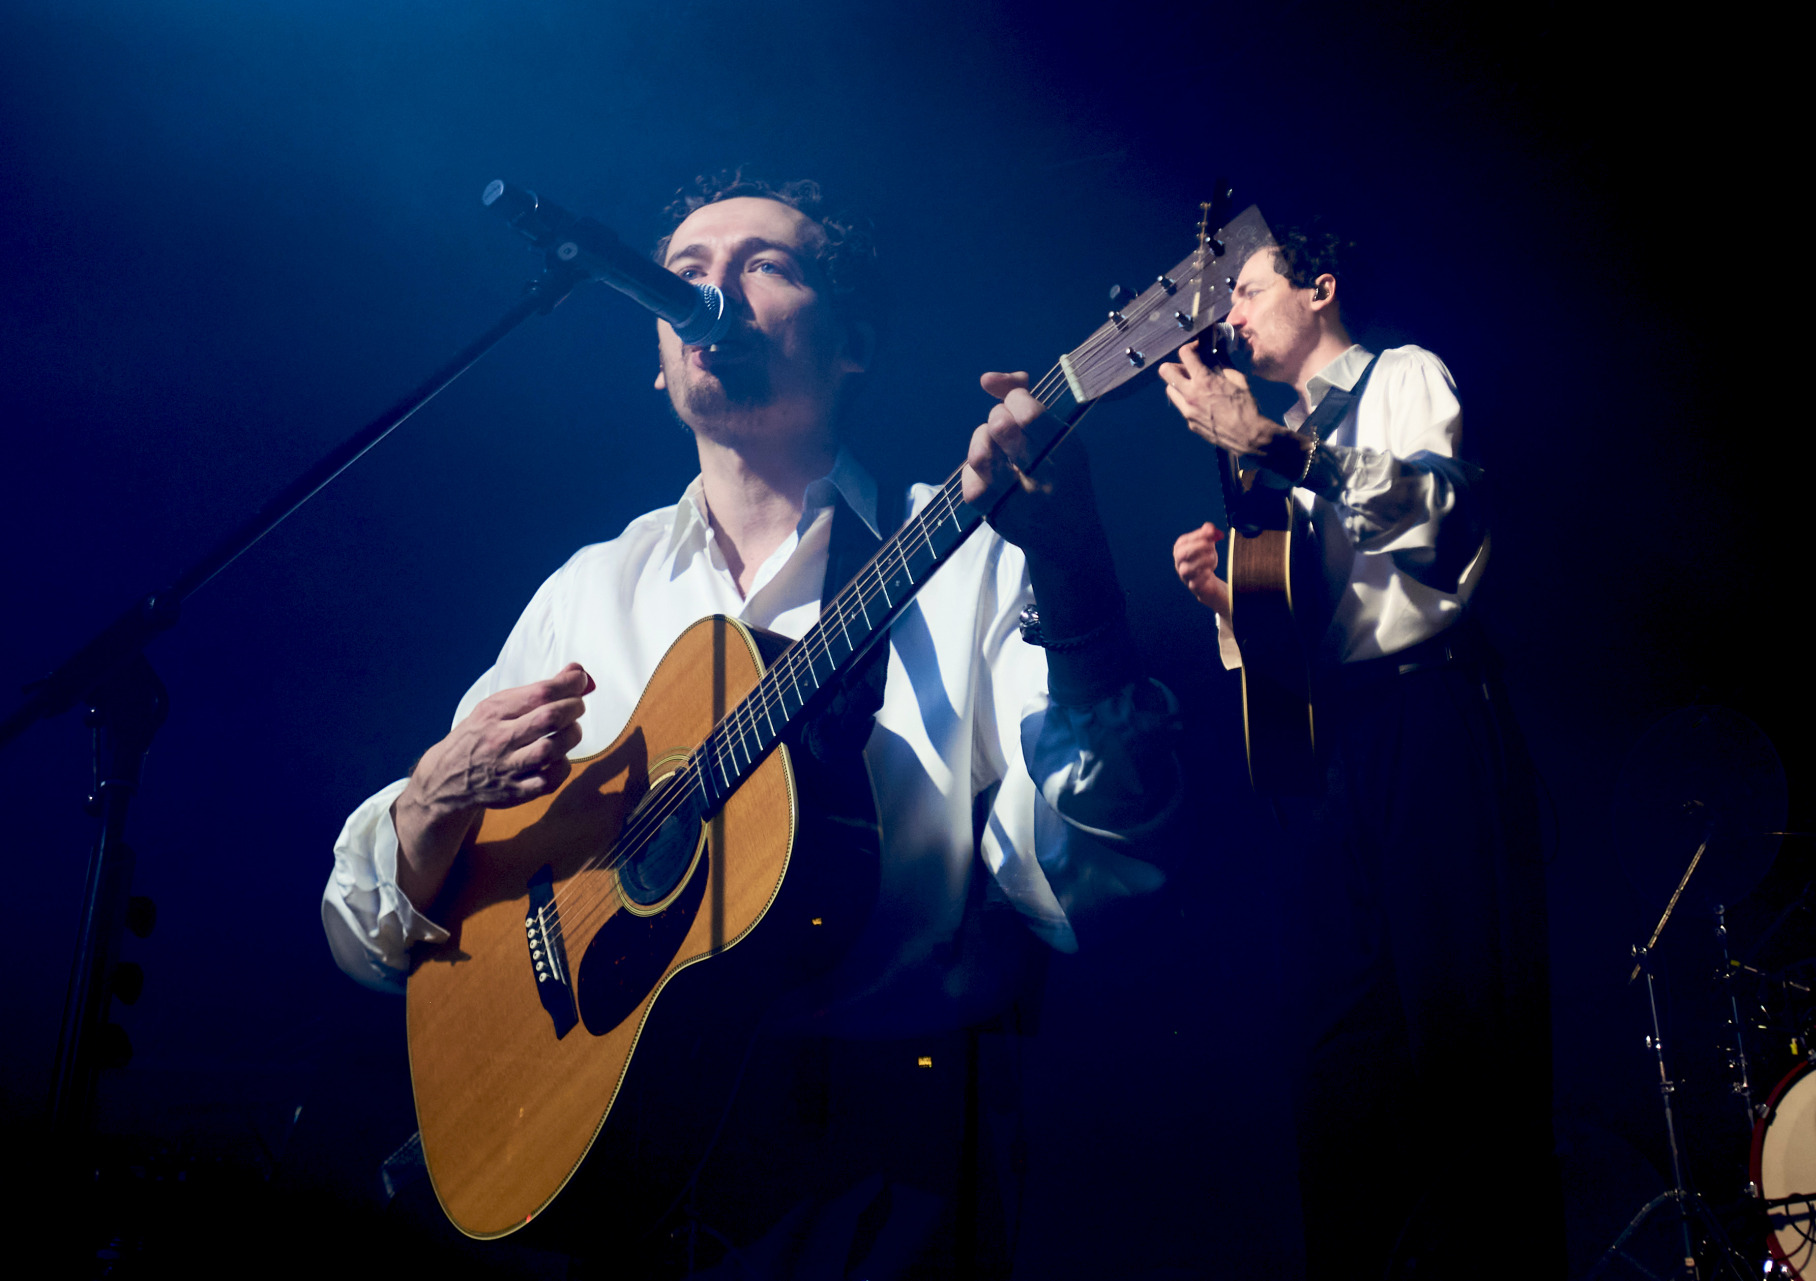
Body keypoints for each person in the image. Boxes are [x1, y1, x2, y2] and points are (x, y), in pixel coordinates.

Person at [320, 172, 1178, 1275]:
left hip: (875, 1173)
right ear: (660, 352)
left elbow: (1088, 887)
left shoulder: (966, 555)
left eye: (764, 265)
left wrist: (1084, 587)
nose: (711, 291)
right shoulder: (590, 590)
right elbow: (368, 938)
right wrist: (434, 801)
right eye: (683, 275)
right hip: (607, 1168)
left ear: (853, 342)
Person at [1161, 226, 1559, 1278]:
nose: (1232, 317)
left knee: (1467, 1047)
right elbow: (1280, 655)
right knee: (1340, 1076)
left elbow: (1439, 520)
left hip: (1428, 727)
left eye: (1246, 291)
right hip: (1328, 763)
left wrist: (1274, 447)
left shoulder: (1400, 377)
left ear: (1320, 288)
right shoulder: (1266, 448)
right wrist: (1226, 604)